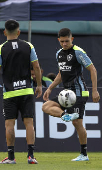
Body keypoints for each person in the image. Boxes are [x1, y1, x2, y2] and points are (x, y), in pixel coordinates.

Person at [42, 28, 100, 161]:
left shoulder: (78, 52)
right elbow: (61, 74)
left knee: (77, 123)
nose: (64, 44)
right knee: (45, 106)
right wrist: (50, 88)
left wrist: (94, 90)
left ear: (72, 39)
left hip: (79, 92)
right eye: (62, 41)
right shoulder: (59, 54)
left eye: (66, 41)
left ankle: (84, 154)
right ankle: (64, 115)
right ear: (58, 40)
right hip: (66, 93)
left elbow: (93, 69)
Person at [0, 19, 42, 164]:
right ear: (19, 32)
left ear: (4, 32)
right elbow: (37, 67)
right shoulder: (28, 46)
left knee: (9, 124)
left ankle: (11, 157)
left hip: (10, 93)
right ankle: (31, 156)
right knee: (29, 123)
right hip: (26, 90)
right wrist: (38, 85)